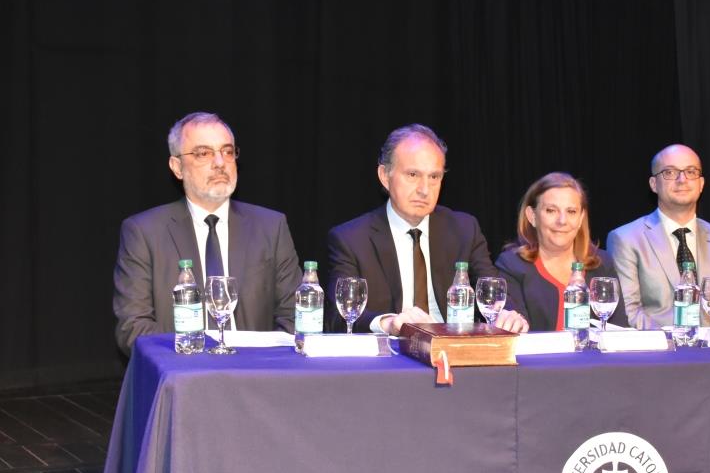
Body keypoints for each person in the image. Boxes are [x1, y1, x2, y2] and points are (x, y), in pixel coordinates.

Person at [113, 111, 303, 355]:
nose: (220, 163)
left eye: (227, 151)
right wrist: (199, 360)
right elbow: (133, 328)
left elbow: (296, 316)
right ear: (177, 167)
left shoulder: (270, 226)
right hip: (183, 377)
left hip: (256, 375)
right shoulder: (144, 232)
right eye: (204, 153)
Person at [326, 123, 528, 335]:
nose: (424, 190)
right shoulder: (352, 238)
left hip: (452, 349)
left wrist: (505, 314)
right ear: (385, 176)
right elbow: (336, 317)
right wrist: (388, 323)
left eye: (434, 177)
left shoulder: (464, 229)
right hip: (390, 357)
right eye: (413, 175)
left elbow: (492, 291)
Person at [607, 144, 710, 329]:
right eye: (669, 172)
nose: (682, 179)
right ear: (653, 184)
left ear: (701, 184)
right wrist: (675, 344)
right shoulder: (626, 239)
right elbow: (630, 311)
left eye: (691, 172)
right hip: (660, 353)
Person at [495, 172, 628, 331]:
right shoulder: (512, 265)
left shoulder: (602, 263)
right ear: (532, 216)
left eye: (571, 211)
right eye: (551, 210)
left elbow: (618, 328)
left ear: (580, 218)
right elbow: (517, 330)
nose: (562, 221)